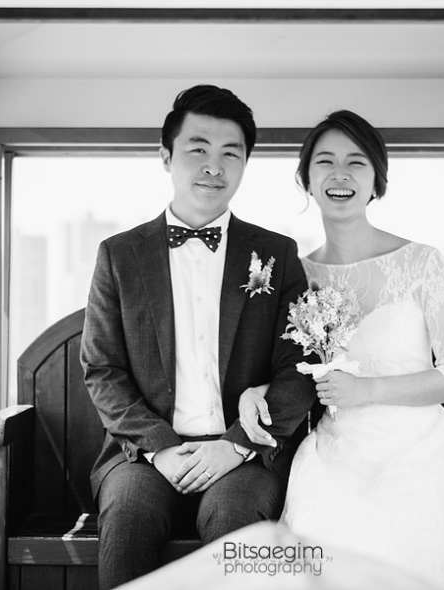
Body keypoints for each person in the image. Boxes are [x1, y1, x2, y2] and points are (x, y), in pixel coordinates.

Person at [233, 110, 444, 589]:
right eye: (325, 162)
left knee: (395, 551)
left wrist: (368, 390)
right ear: (306, 179)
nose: (340, 174)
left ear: (376, 181)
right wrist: (253, 391)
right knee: (324, 551)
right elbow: (289, 367)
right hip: (334, 456)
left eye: (356, 163)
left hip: (418, 453)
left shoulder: (421, 262)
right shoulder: (299, 274)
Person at [80, 84, 317, 589]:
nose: (214, 166)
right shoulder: (119, 255)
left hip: (245, 453)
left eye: (231, 153)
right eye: (198, 150)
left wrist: (236, 445)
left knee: (236, 524)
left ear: (245, 163)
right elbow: (102, 369)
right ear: (167, 157)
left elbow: (299, 367)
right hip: (143, 454)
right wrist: (161, 448)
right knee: (128, 518)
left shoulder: (277, 253)